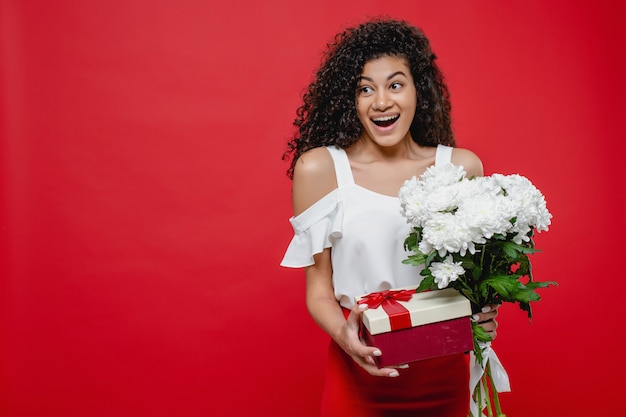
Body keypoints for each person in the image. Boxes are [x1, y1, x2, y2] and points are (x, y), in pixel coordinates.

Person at [280, 18, 499, 416]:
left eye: (395, 84)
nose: (381, 101)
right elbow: (319, 291)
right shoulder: (320, 170)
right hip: (359, 374)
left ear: (419, 91)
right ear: (351, 99)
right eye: (366, 89)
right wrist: (348, 340)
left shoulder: (461, 168)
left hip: (445, 373)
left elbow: (472, 283)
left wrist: (484, 311)